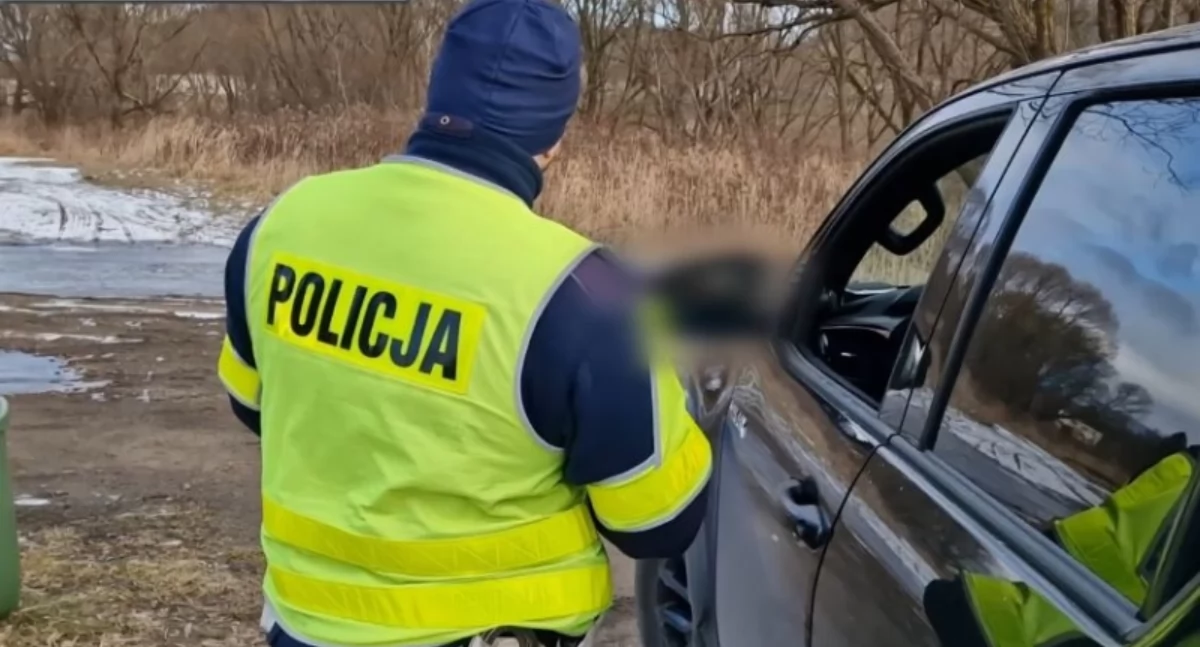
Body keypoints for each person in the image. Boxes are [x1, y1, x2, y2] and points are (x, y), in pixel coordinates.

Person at [215, 1, 713, 646]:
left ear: (435, 96)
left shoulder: (284, 223)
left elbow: (252, 404)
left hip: (304, 623)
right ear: (555, 136)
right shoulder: (584, 293)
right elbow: (657, 524)